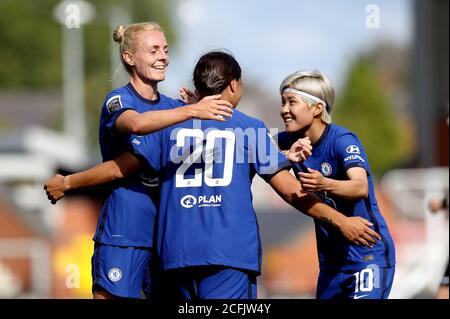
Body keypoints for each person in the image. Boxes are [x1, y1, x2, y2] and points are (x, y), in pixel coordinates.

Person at [47, 51, 381, 299]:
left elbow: (119, 168)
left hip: (174, 257)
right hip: (228, 257)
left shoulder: (167, 126)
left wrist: (69, 182)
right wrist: (339, 221)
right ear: (234, 85)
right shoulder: (249, 129)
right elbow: (290, 191)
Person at [45, 22, 233, 299]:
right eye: (153, 49)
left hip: (168, 238)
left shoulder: (174, 107)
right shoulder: (118, 100)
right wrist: (68, 183)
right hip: (125, 233)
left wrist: (283, 153)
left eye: (165, 50)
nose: (163, 56)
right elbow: (136, 128)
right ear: (129, 57)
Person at [276, 70, 396, 299]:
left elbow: (359, 186)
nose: (284, 110)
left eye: (291, 102)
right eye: (282, 102)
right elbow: (250, 143)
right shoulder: (287, 140)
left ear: (317, 108)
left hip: (367, 255)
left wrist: (324, 183)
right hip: (331, 265)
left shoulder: (342, 140)